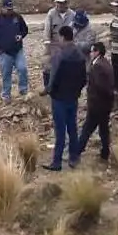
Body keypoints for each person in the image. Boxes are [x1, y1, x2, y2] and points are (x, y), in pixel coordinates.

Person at [43, 26, 87, 171]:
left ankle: (57, 162)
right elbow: (83, 78)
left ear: (62, 37)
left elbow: (53, 77)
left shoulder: (59, 55)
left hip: (59, 98)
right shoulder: (80, 55)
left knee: (60, 131)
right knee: (72, 128)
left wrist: (48, 90)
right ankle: (74, 158)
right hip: (73, 97)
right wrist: (77, 91)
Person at [77, 42, 115, 163]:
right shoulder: (106, 63)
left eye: (92, 51)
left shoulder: (97, 66)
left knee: (87, 129)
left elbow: (100, 86)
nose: (90, 53)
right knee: (103, 129)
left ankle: (76, 152)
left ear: (97, 51)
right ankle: (105, 153)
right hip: (106, 104)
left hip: (97, 104)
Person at [0, 0, 29, 103]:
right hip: (5, 53)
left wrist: (21, 35)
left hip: (18, 50)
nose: (10, 11)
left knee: (23, 69)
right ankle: (6, 95)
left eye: (11, 8)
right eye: (8, 9)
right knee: (6, 74)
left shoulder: (17, 17)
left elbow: (25, 29)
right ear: (2, 8)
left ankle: (23, 90)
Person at [41, 0, 75, 95]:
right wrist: (47, 44)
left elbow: (75, 30)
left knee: (66, 67)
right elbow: (47, 29)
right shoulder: (51, 13)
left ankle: (64, 87)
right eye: (58, 3)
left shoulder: (72, 14)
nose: (59, 5)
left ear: (66, 3)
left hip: (67, 44)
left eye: (62, 3)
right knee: (48, 66)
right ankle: (47, 87)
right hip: (54, 44)